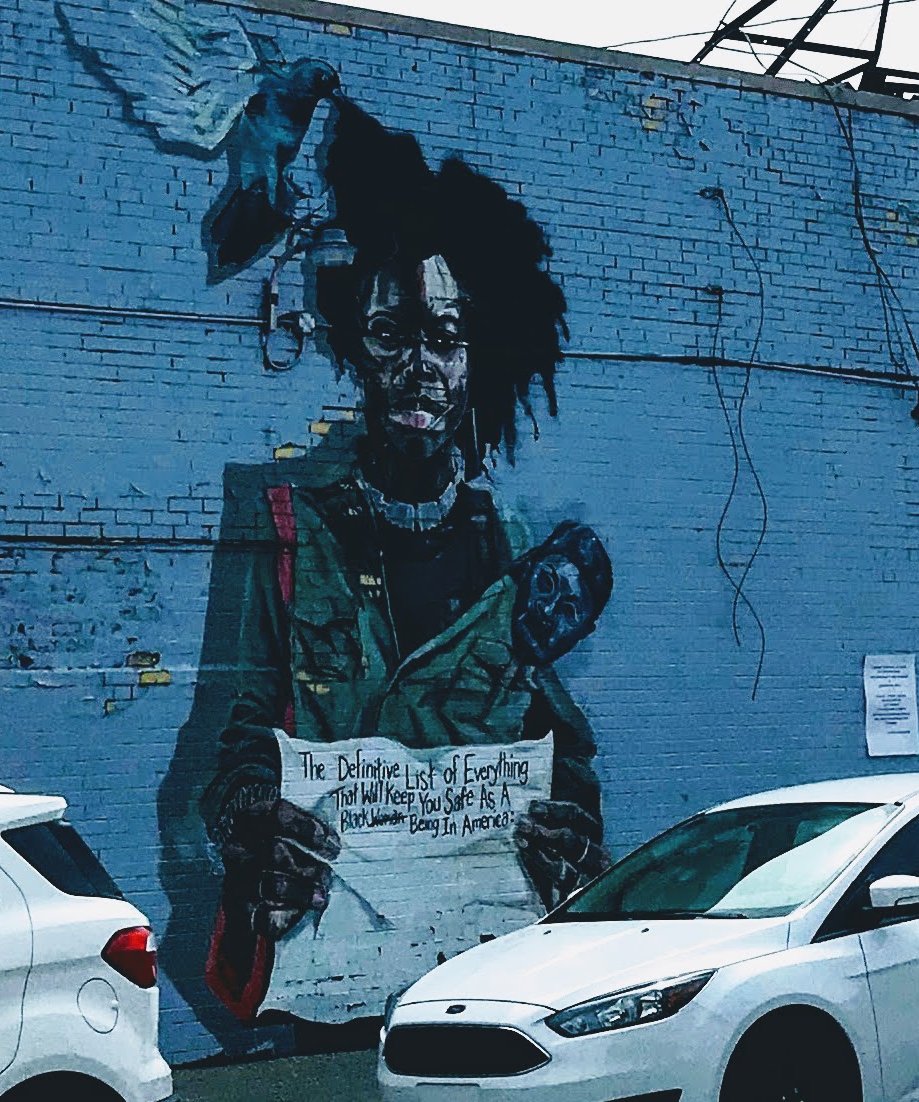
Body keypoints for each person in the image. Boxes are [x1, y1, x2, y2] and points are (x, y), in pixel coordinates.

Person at [197, 127, 615, 1023]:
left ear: (474, 358)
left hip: (484, 976)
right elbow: (245, 731)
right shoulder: (293, 530)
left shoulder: (522, 555)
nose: (419, 365)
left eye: (445, 337)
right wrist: (249, 822)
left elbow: (562, 753)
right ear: (356, 350)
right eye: (390, 335)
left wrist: (575, 838)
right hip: (330, 970)